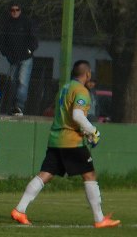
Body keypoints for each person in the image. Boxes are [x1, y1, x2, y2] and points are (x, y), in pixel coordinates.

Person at [10, 60, 121, 228]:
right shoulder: (81, 91)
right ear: (87, 74)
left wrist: (85, 130)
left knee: (45, 174)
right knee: (89, 175)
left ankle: (20, 209)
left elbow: (66, 115)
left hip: (56, 138)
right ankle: (99, 219)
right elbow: (77, 115)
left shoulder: (64, 88)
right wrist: (92, 131)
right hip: (71, 142)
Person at [0, 1, 38, 116]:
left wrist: (28, 51)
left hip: (25, 58)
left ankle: (19, 106)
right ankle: (12, 105)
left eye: (17, 10)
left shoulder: (27, 22)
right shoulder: (7, 24)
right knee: (12, 82)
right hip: (13, 59)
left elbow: (34, 40)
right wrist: (7, 54)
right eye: (12, 10)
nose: (14, 12)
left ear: (20, 11)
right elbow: (2, 41)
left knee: (22, 82)